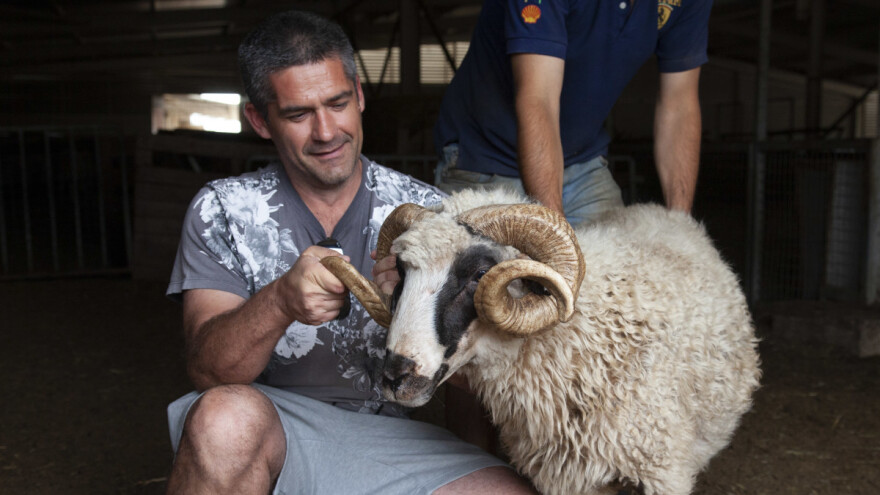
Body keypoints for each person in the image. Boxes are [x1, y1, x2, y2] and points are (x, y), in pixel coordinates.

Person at [164, 10, 536, 495]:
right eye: (298, 114)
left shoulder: (431, 216)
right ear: (259, 119)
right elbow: (209, 371)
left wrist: (419, 311)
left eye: (337, 103)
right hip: (276, 428)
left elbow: (477, 379)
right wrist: (279, 303)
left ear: (360, 96)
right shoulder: (224, 210)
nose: (325, 132)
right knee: (222, 420)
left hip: (400, 442)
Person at [433, 0, 712, 225]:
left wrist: (681, 227)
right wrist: (555, 239)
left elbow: (680, 104)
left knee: (617, 283)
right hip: (486, 158)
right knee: (491, 286)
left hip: (582, 162)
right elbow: (538, 98)